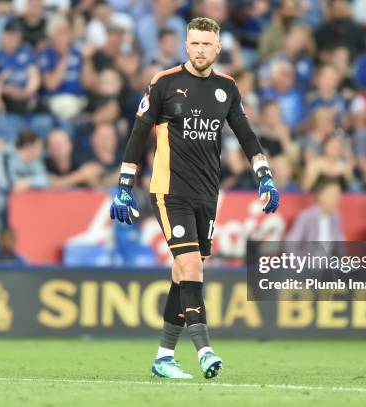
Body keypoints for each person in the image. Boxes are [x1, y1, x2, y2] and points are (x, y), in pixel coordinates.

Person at [109, 17, 280, 379]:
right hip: (169, 191)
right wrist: (124, 183)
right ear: (186, 46)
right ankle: (204, 350)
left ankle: (163, 358)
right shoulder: (164, 83)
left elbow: (247, 136)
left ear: (218, 48)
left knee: (181, 272)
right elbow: (139, 134)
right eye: (194, 43)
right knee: (193, 267)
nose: (200, 50)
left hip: (207, 194)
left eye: (207, 44)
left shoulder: (227, 88)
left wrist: (265, 176)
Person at [0, 130, 48, 254]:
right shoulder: (5, 156)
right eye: (39, 147)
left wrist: (28, 182)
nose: (41, 151)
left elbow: (45, 180)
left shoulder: (35, 162)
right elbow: (8, 183)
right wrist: (24, 183)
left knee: (19, 246)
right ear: (29, 147)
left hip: (16, 213)